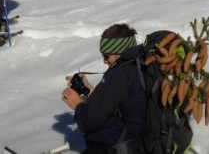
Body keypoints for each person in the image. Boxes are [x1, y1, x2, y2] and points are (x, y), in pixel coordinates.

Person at [62, 24, 146, 154]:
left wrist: (78, 105)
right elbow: (118, 99)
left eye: (106, 56)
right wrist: (89, 90)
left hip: (127, 145)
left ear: (120, 53)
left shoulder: (120, 73)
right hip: (143, 138)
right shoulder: (140, 64)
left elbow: (89, 121)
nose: (104, 61)